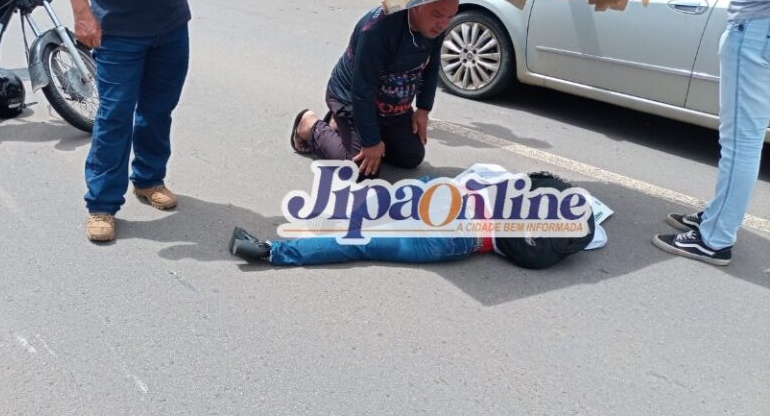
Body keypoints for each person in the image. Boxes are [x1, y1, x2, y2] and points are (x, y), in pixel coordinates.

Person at [59, 0, 282, 242]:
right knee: (115, 116)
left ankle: (148, 179)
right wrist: (81, 13)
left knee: (159, 109)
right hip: (118, 31)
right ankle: (102, 203)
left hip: (171, 26)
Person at [587, 0, 769, 266]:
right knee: (742, 137)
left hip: (756, 27)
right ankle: (717, 218)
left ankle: (715, 239)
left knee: (741, 141)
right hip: (760, 26)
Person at [229, 172, 597, 269]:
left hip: (449, 199)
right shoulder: (544, 252)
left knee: (374, 206)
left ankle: (331, 218)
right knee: (360, 245)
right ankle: (269, 251)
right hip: (458, 239)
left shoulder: (536, 191)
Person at [290, 0, 460, 178]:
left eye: (450, 16)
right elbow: (362, 91)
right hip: (352, 101)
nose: (443, 24)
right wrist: (371, 142)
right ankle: (310, 126)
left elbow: (431, 67)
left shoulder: (434, 28)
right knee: (361, 172)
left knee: (411, 156)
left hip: (392, 107)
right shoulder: (376, 30)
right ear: (417, 4)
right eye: (437, 15)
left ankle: (348, 130)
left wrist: (423, 109)